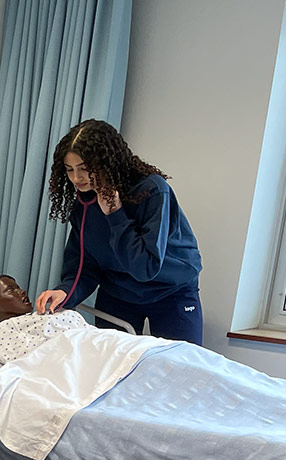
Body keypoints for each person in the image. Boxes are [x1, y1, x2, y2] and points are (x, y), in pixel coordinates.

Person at [34, 119, 204, 344]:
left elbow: (146, 267)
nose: (76, 178)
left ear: (106, 162)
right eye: (69, 170)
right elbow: (84, 265)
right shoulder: (84, 202)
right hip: (119, 293)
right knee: (111, 367)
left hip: (170, 290)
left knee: (181, 369)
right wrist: (65, 291)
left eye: (84, 169)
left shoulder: (152, 191)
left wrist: (115, 213)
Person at [0, 275, 91, 362]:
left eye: (18, 288)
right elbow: (36, 357)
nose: (22, 291)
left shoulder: (40, 316)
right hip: (83, 353)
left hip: (96, 340)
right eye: (11, 290)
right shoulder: (1, 331)